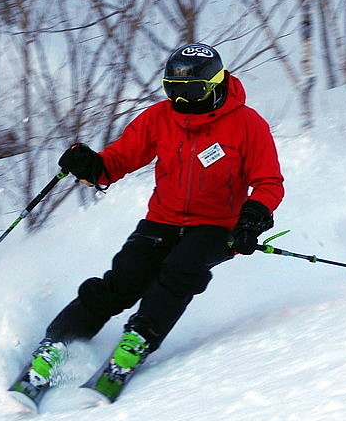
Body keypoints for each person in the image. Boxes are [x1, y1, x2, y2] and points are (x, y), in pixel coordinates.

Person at [24, 42, 284, 389]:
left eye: (191, 91)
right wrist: (93, 165)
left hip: (217, 225)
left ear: (214, 85)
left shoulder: (247, 125)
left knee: (180, 271)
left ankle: (138, 340)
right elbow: (118, 160)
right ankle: (58, 343)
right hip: (162, 219)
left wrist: (252, 218)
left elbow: (269, 182)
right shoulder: (159, 118)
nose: (181, 101)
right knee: (123, 280)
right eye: (173, 91)